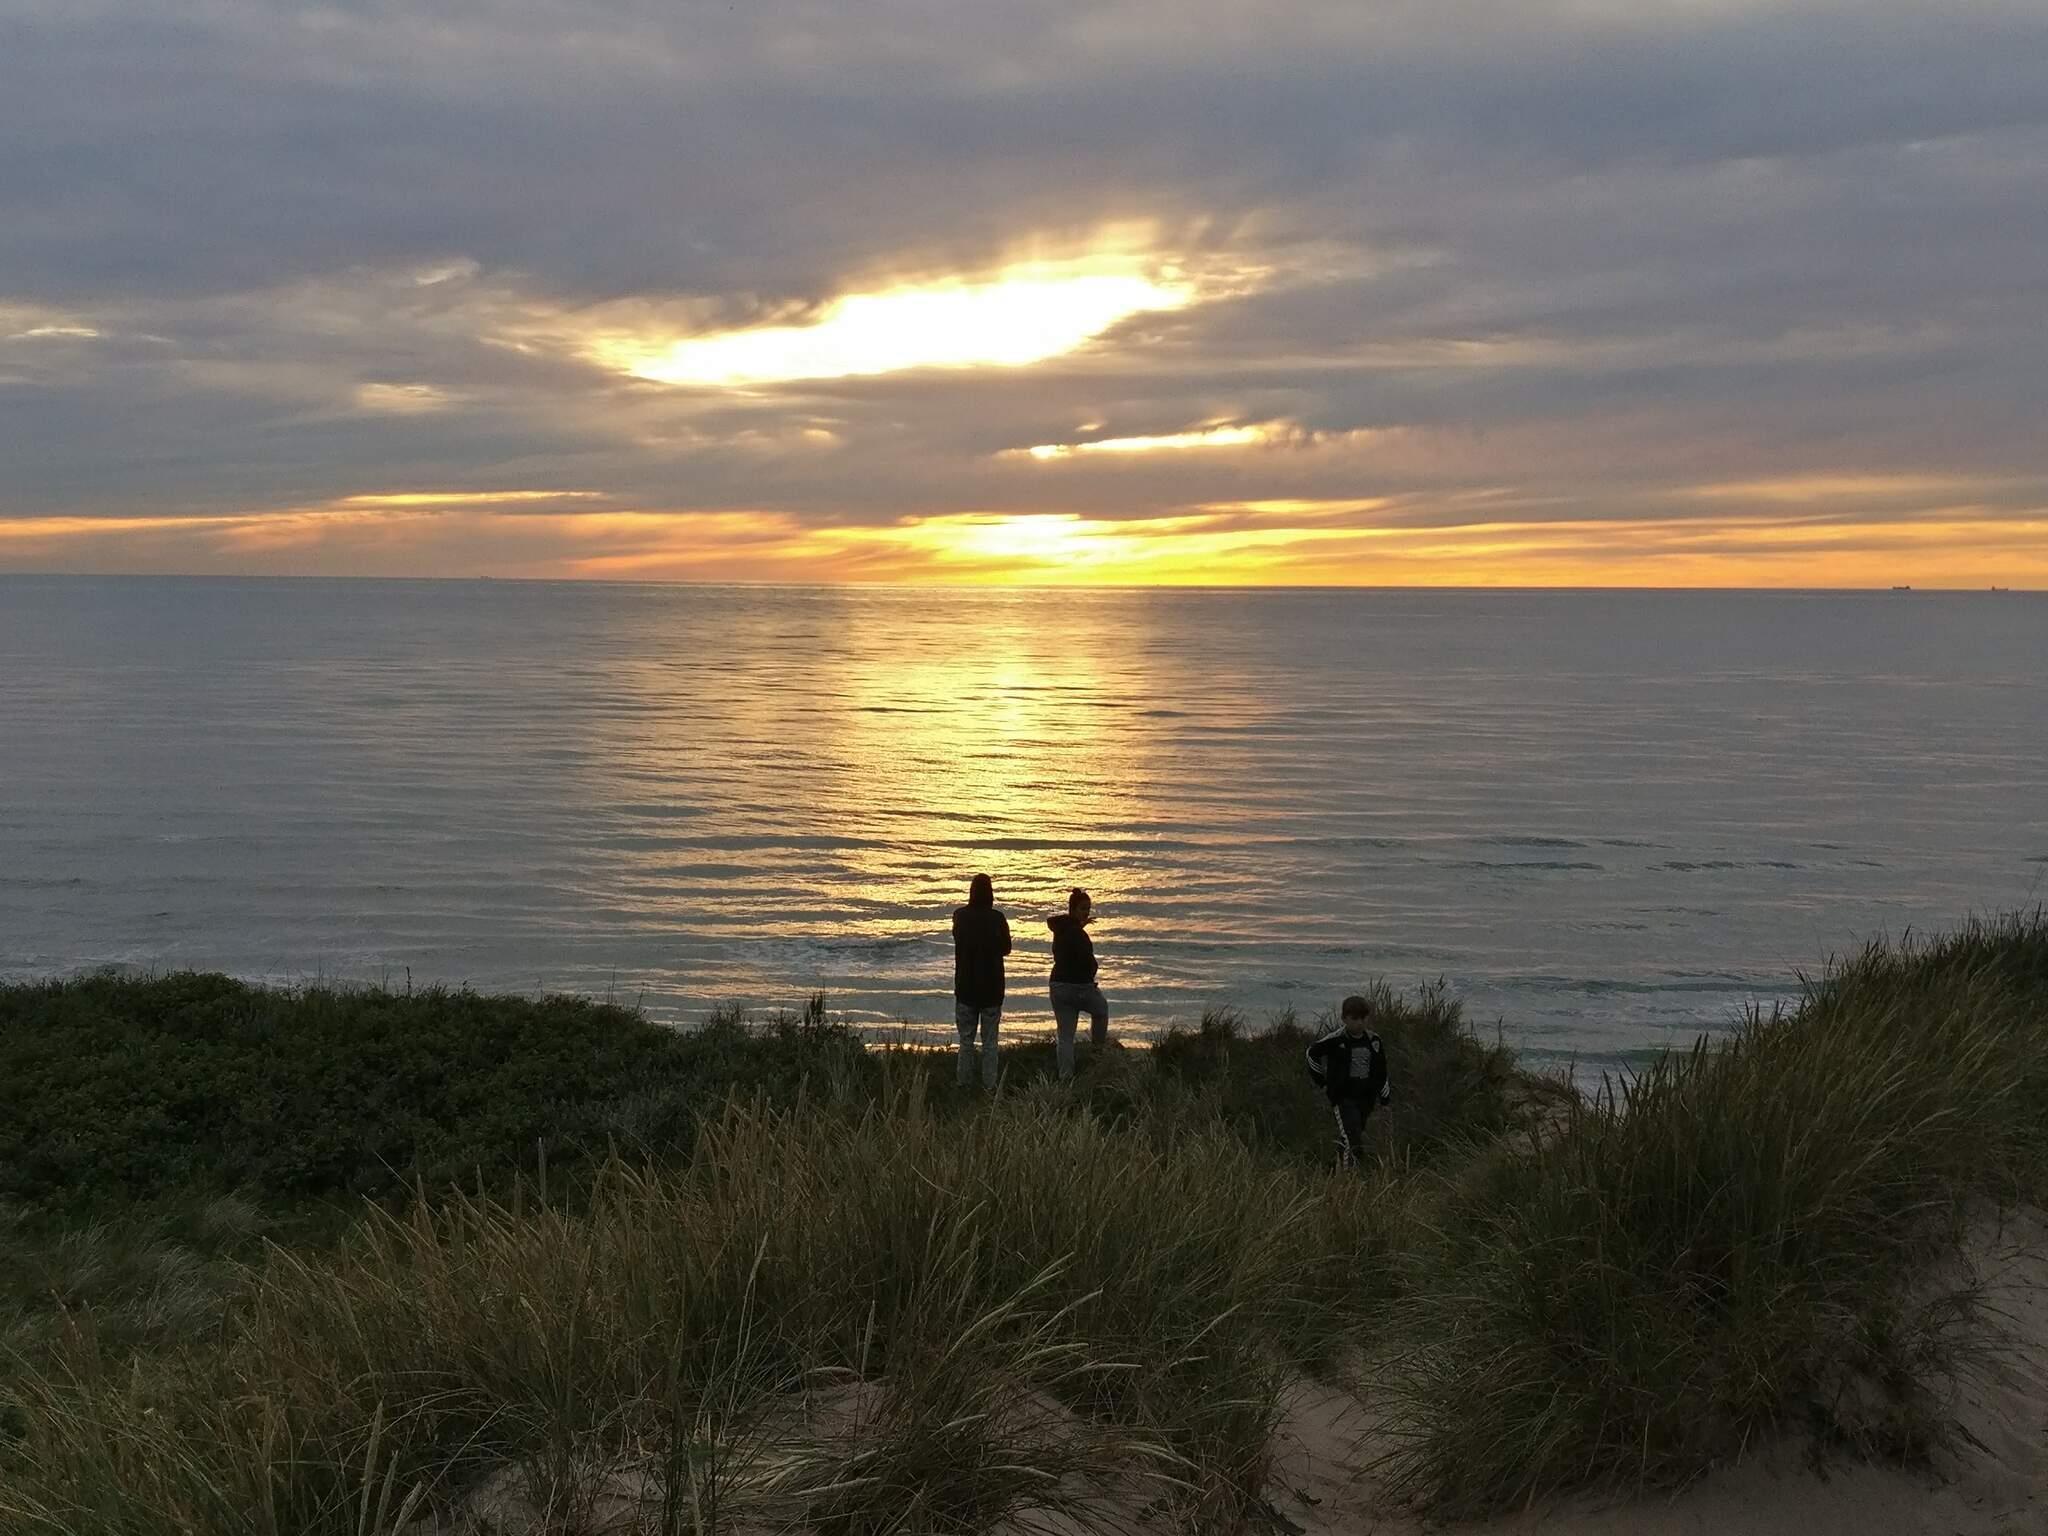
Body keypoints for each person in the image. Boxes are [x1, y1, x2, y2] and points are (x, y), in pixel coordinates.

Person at [1305, 995, 1391, 1171]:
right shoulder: (1336, 1039)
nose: (1359, 1023)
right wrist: (1323, 1083)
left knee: (1354, 1134)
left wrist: (1385, 1100)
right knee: (1351, 1137)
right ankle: (1348, 1175)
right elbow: (1311, 1054)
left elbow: (1381, 1071)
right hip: (1343, 1097)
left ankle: (1333, 1169)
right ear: (1344, 1018)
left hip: (1366, 1097)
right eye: (1354, 1018)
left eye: (1363, 1018)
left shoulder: (1374, 1040)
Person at [951, 873, 1011, 1089]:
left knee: (966, 1040)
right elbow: (1007, 948)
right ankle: (990, 1086)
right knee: (990, 1042)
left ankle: (963, 1084)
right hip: (992, 989)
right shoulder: (997, 918)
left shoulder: (960, 916)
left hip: (966, 987)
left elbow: (958, 938)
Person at [1046, 887, 1109, 1080]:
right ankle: (1097, 1053)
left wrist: (1080, 925)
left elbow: (1068, 943)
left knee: (1065, 1036)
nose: (1086, 913)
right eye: (1083, 909)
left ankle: (1065, 1077)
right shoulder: (1078, 935)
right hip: (1079, 986)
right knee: (1101, 1009)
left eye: (1088, 909)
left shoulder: (1061, 929)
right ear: (1072, 910)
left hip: (1058, 985)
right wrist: (1091, 975)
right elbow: (1088, 962)